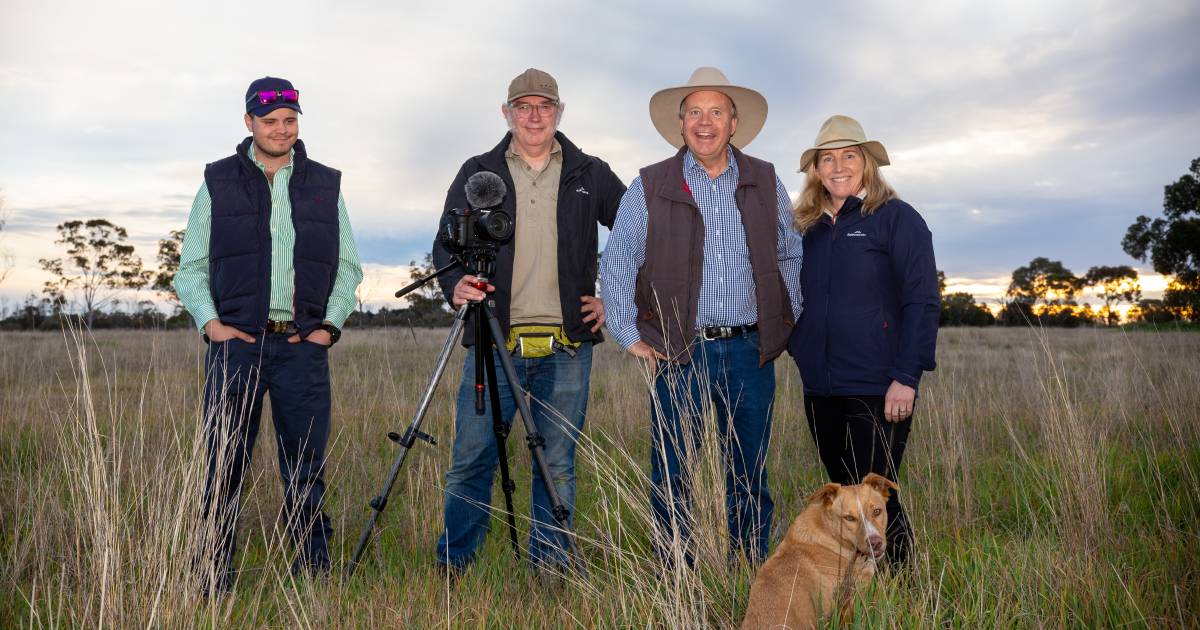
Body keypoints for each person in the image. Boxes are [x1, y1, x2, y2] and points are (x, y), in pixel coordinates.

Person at [600, 67, 803, 564]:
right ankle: (678, 575)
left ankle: (751, 567)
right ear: (681, 122)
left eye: (716, 111)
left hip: (748, 349)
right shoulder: (649, 185)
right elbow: (619, 260)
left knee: (749, 470)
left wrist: (784, 315)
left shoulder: (766, 180)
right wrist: (628, 334)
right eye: (695, 112)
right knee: (672, 470)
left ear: (734, 122)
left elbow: (790, 254)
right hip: (676, 351)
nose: (705, 122)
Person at [431, 68, 626, 575]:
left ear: (560, 112)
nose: (534, 115)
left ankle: (552, 567)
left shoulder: (590, 172)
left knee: (556, 464)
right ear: (506, 112)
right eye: (523, 106)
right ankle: (455, 564)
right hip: (495, 344)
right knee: (471, 460)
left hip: (567, 347)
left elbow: (638, 232)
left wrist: (616, 299)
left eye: (544, 106)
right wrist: (455, 285)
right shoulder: (479, 170)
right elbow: (445, 245)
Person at [174, 76, 363, 591]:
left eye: (290, 120)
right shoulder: (217, 181)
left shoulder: (325, 184)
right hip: (237, 347)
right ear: (249, 123)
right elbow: (189, 268)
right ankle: (211, 577)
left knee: (305, 469)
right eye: (270, 121)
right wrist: (212, 326)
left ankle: (314, 575)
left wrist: (328, 326)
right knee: (223, 466)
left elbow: (347, 266)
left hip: (302, 348)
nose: (281, 130)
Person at [787, 114, 939, 570]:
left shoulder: (896, 219)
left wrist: (905, 377)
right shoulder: (805, 229)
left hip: (879, 386)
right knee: (848, 498)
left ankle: (905, 588)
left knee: (874, 496)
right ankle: (864, 586)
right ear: (815, 169)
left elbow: (922, 301)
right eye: (826, 158)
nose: (837, 166)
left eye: (848, 156)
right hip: (821, 387)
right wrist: (800, 347)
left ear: (867, 163)